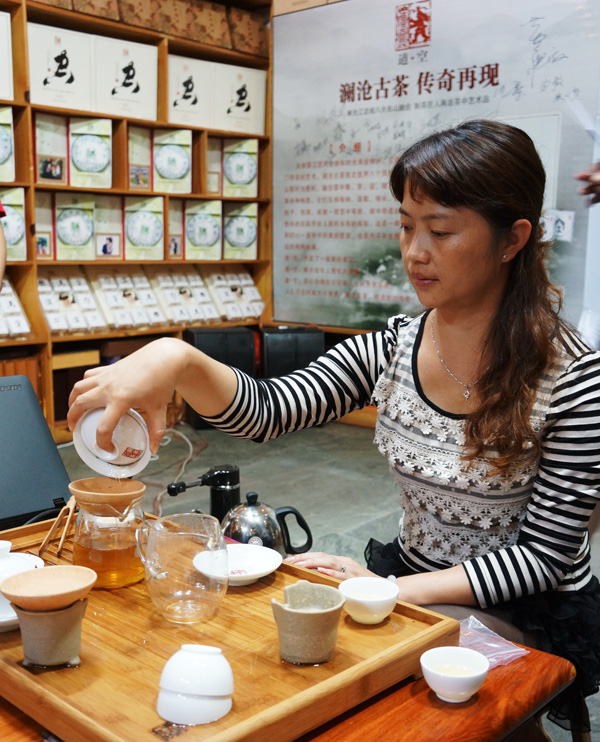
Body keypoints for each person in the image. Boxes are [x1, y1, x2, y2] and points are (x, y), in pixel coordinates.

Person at [67, 120, 600, 736]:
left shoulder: (572, 376)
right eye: (406, 226)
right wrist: (177, 360)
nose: (414, 252)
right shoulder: (395, 346)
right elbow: (268, 410)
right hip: (414, 579)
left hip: (523, 606)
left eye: (440, 230)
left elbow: (542, 558)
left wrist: (388, 590)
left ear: (513, 239)